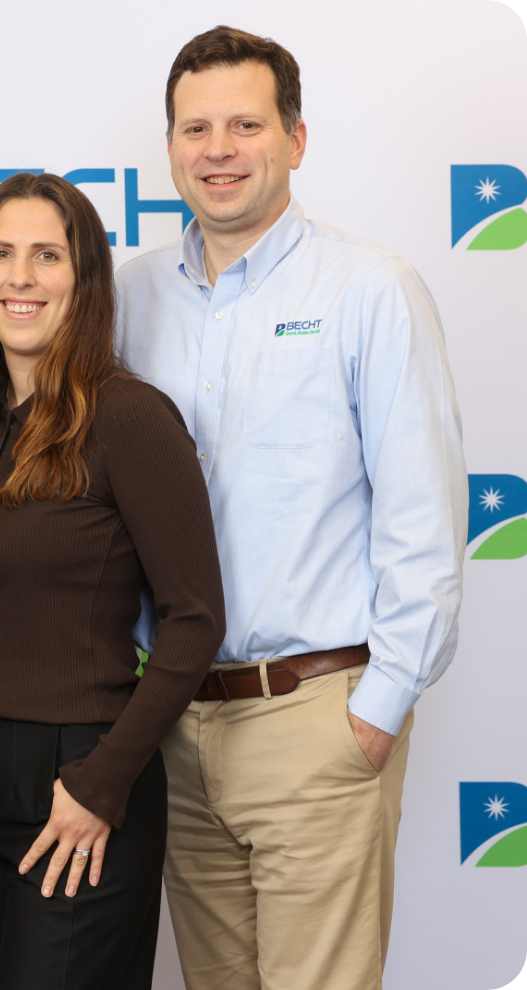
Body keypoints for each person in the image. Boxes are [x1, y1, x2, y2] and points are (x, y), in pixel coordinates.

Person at [117, 26, 468, 990]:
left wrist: (375, 712)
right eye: (196, 129)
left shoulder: (371, 289)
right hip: (174, 726)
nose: (218, 150)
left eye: (245, 125)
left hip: (316, 718)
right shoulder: (129, 298)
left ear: (296, 139)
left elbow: (424, 518)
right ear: (170, 147)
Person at [0, 171, 226, 990]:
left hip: (77, 773)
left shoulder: (129, 416)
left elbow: (195, 622)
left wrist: (101, 782)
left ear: (84, 279)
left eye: (46, 256)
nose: (19, 277)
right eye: (0, 254)